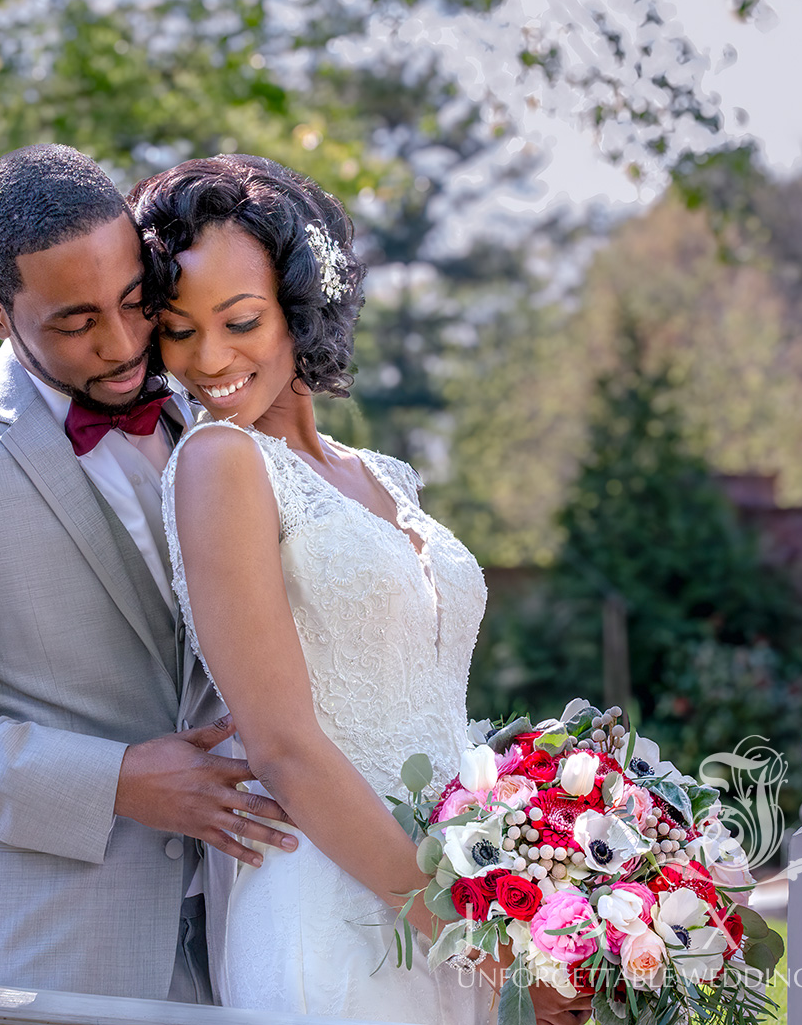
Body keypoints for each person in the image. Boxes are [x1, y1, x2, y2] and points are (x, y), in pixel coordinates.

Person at [129, 155, 596, 1024]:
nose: (210, 360)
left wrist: (535, 872)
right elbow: (283, 746)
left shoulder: (382, 474)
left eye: (240, 320)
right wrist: (474, 939)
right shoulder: (217, 462)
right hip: (334, 904)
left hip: (453, 883)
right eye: (178, 331)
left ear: (301, 307)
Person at [0, 144, 298, 1003]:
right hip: (39, 972)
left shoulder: (217, 405)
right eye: (77, 322)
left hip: (253, 951)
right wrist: (114, 780)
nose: (123, 346)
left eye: (133, 301)